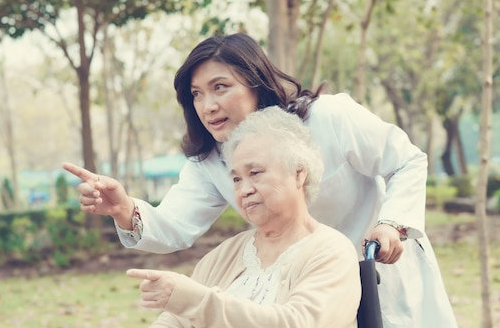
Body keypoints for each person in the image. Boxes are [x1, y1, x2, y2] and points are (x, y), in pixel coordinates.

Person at [63, 33, 458, 328]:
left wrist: (392, 223)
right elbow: (173, 227)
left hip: (379, 263)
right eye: (196, 94)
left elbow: (407, 160)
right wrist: (123, 208)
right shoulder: (212, 160)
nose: (208, 105)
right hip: (297, 282)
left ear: (256, 82)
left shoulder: (329, 118)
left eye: (221, 87)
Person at [126, 106, 361, 328]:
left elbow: (296, 323)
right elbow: (174, 321)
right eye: (237, 179)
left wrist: (193, 299)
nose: (244, 189)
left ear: (298, 174)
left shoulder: (332, 252)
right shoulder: (225, 254)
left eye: (255, 173)